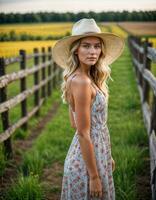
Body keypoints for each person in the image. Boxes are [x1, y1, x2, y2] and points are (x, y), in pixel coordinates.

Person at [52, 18, 125, 200]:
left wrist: (105, 154)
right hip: (85, 166)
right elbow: (83, 133)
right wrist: (93, 176)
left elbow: (73, 123)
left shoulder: (82, 77)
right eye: (86, 46)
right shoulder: (82, 81)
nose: (93, 52)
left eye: (97, 46)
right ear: (76, 50)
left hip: (93, 153)